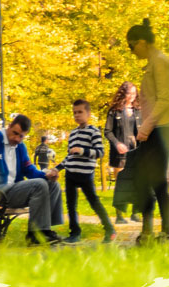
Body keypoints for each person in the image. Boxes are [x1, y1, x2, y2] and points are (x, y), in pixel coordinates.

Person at [128, 19, 169, 243]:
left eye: (131, 45)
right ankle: (148, 231)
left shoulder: (160, 62)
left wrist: (145, 128)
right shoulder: (153, 62)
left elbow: (164, 99)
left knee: (156, 180)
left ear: (143, 42)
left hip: (162, 129)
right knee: (145, 180)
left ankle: (165, 232)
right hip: (155, 128)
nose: (131, 51)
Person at [0, 114, 66, 245]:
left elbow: (29, 170)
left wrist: (46, 174)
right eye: (15, 133)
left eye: (21, 136)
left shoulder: (20, 147)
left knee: (52, 184)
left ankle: (45, 230)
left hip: (12, 191)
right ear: (9, 126)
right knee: (39, 185)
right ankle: (35, 235)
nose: (17, 138)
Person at [61, 99, 115, 244]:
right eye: (74, 113)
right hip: (70, 173)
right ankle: (74, 233)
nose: (77, 115)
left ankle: (109, 229)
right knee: (71, 204)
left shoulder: (94, 132)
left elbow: (100, 152)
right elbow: (69, 156)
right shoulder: (72, 134)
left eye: (80, 112)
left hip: (85, 174)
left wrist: (82, 150)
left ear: (88, 113)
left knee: (94, 202)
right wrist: (57, 168)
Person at [105, 82, 140, 224]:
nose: (132, 96)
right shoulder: (114, 111)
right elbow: (107, 131)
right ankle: (119, 215)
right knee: (121, 183)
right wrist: (117, 143)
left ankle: (135, 213)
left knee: (138, 182)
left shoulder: (139, 110)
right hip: (119, 153)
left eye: (134, 93)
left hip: (137, 151)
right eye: (129, 93)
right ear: (123, 93)